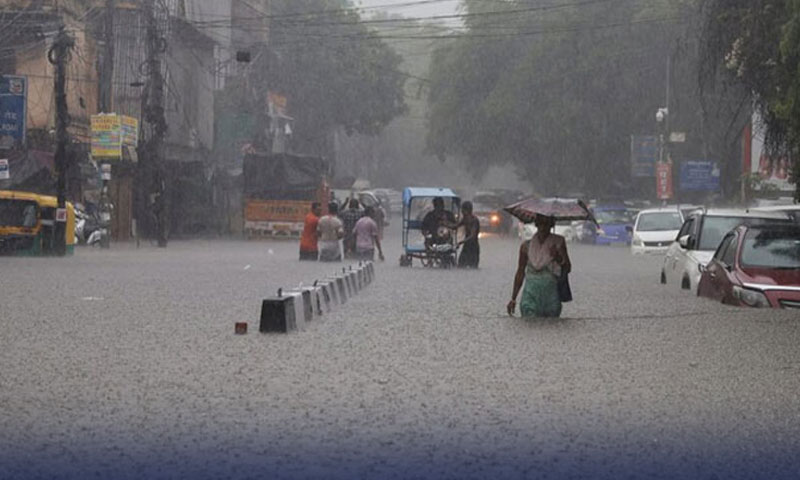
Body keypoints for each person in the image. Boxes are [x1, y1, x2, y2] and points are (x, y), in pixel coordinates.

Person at [507, 214, 571, 318]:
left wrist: (558, 257)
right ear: (536, 224)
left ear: (551, 225)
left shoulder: (558, 243)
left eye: (546, 224)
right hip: (530, 295)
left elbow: (568, 268)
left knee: (551, 325)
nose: (543, 227)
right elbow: (520, 272)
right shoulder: (526, 246)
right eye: (540, 223)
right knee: (528, 321)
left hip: (551, 296)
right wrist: (513, 299)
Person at [456, 201, 480, 268]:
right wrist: (445, 223)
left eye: (462, 210)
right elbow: (455, 226)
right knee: (461, 265)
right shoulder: (465, 219)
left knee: (473, 267)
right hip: (466, 247)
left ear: (467, 210)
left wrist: (461, 242)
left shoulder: (474, 220)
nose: (461, 212)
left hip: (473, 247)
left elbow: (472, 235)